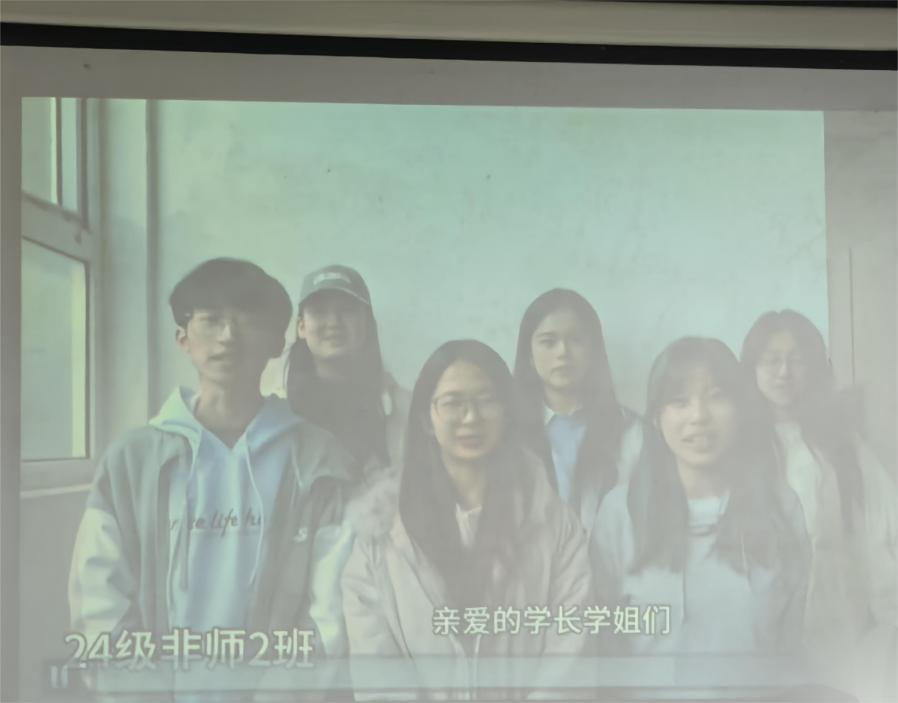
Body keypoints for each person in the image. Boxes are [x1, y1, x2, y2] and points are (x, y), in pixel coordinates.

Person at [68, 259, 353, 695]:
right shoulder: (130, 462)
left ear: (277, 342)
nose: (228, 336)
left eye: (247, 319)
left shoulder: (320, 460)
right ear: (183, 337)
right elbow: (99, 599)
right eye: (212, 319)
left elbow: (330, 609)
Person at [341, 340, 592, 700]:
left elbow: (570, 654)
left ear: (507, 413)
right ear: (426, 420)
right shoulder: (379, 532)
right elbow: (377, 671)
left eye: (487, 400)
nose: (471, 417)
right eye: (453, 403)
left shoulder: (555, 524)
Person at [591, 337, 809, 657]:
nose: (699, 416)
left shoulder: (780, 506)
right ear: (657, 419)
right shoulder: (621, 512)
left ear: (740, 410)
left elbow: (792, 638)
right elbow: (603, 641)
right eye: (680, 401)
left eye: (716, 396)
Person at [742, 310, 897, 699]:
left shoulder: (843, 447)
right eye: (771, 360)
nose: (784, 372)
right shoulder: (738, 445)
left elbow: (882, 528)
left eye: (796, 360)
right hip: (759, 627)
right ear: (752, 367)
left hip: (838, 618)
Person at [513, 289, 643, 536]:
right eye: (548, 342)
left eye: (576, 340)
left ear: (594, 351)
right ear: (529, 355)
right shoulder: (507, 431)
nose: (562, 352)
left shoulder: (631, 431)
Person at [284, 264, 409, 480]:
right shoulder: (280, 413)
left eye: (347, 310)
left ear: (367, 323)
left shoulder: (401, 409)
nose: (334, 322)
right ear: (301, 327)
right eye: (319, 311)